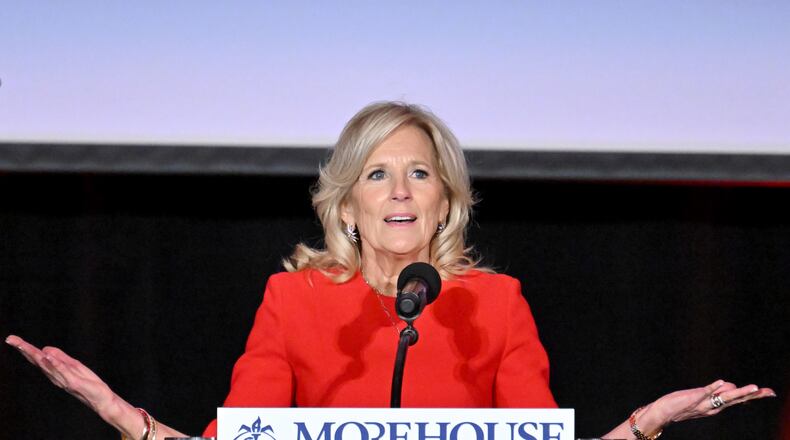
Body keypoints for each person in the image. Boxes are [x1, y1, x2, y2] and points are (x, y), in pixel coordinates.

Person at [6, 102, 775, 439]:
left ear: (446, 203)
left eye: (419, 174)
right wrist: (121, 417)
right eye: (376, 175)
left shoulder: (496, 304)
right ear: (345, 206)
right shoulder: (294, 299)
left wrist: (645, 424)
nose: (400, 192)